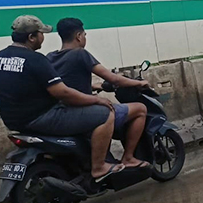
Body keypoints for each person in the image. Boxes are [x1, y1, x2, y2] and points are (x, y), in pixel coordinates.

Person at [0, 15, 124, 182]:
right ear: (31, 37)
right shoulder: (35, 59)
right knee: (105, 114)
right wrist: (97, 100)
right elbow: (63, 93)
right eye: (41, 34)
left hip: (14, 121)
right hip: (43, 117)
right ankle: (99, 167)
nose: (43, 38)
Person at [47, 18, 149, 169]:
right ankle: (128, 157)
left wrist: (93, 86)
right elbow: (114, 79)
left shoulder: (50, 57)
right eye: (85, 35)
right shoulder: (80, 54)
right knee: (140, 109)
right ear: (78, 36)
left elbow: (65, 84)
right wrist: (139, 83)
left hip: (62, 111)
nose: (85, 38)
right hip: (82, 110)